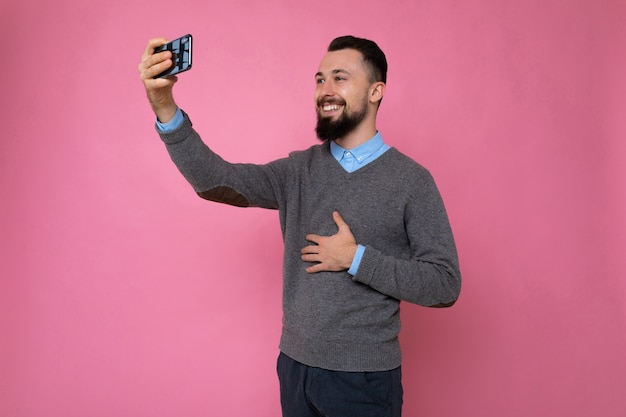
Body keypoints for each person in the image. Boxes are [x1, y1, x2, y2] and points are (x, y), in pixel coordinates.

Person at [138, 35, 461, 417]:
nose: (325, 90)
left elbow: (444, 284)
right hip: (295, 368)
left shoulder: (411, 181)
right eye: (320, 79)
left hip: (365, 379)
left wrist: (355, 258)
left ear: (376, 91)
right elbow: (214, 180)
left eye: (340, 78)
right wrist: (165, 108)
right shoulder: (297, 171)